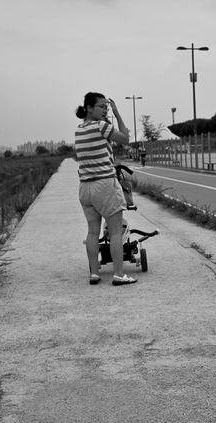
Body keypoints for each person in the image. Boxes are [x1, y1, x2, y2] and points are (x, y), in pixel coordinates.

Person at [74, 92, 136, 286]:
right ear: (89, 108)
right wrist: (117, 113)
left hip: (85, 187)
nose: (105, 110)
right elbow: (125, 138)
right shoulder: (101, 126)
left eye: (107, 107)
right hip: (104, 185)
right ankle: (119, 275)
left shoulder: (79, 130)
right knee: (116, 232)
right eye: (101, 106)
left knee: (93, 232)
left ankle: (94, 273)